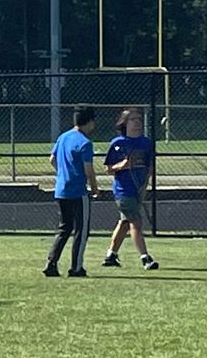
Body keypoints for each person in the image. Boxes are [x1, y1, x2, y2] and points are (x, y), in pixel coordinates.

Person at [101, 107, 158, 271]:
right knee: (136, 222)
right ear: (125, 123)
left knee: (125, 223)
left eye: (139, 120)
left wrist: (144, 188)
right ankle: (145, 258)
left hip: (138, 190)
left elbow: (149, 168)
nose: (137, 123)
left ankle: (111, 255)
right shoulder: (118, 143)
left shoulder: (146, 143)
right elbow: (109, 168)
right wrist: (123, 165)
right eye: (133, 120)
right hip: (123, 191)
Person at [44, 107, 98, 278]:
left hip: (61, 190)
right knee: (81, 230)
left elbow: (52, 159)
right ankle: (76, 268)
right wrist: (95, 188)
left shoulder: (63, 137)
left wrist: (62, 173)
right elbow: (88, 170)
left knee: (64, 228)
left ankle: (51, 263)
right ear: (89, 122)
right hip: (77, 191)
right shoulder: (84, 142)